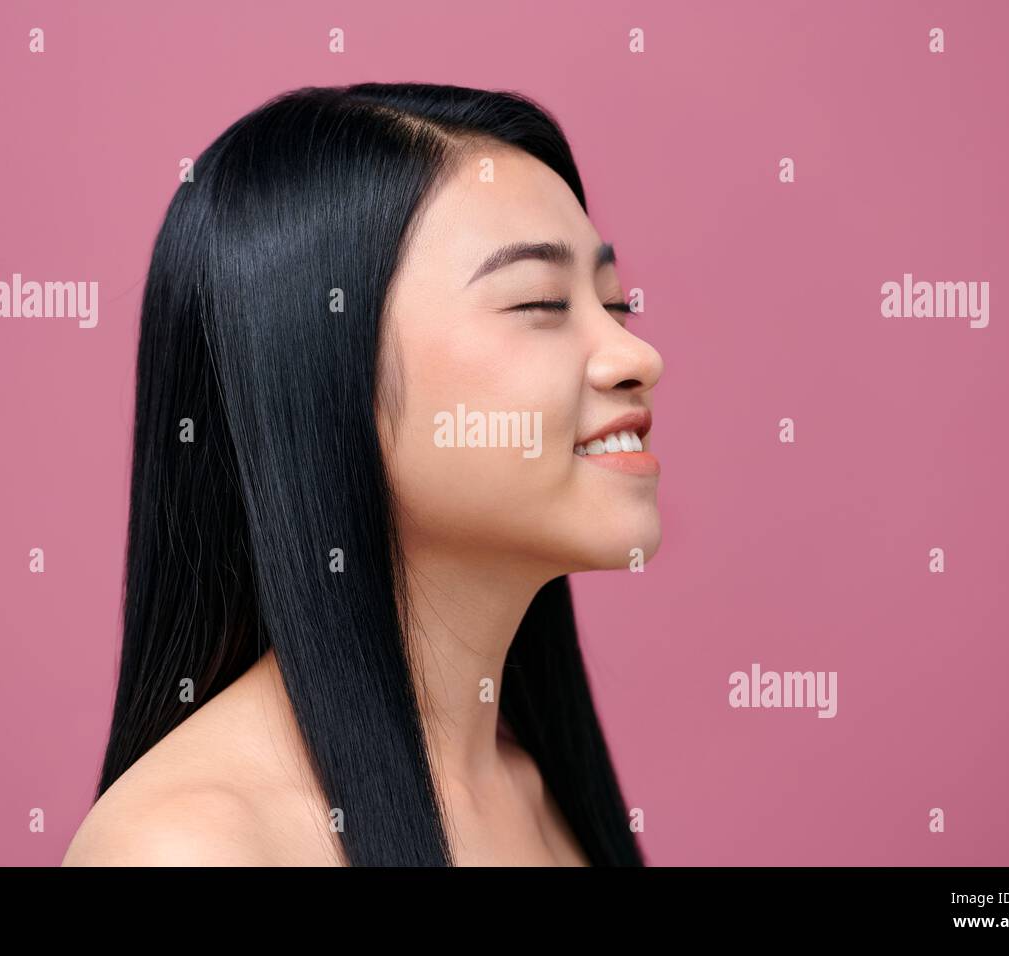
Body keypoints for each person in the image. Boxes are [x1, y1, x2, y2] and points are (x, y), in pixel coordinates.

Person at [62, 82, 664, 867]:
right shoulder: (192, 847)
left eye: (615, 305)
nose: (637, 358)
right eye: (541, 301)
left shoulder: (537, 792)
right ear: (320, 377)